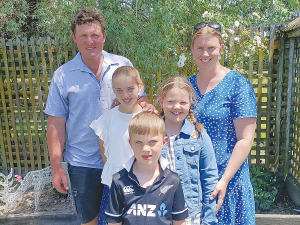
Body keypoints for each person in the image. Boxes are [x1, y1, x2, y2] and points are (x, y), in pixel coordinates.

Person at [45, 8, 151, 225]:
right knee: (89, 221)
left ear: (104, 36)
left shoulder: (122, 65)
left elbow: (140, 98)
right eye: (83, 35)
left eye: (94, 35)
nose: (89, 41)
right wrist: (57, 168)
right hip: (83, 163)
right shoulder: (63, 75)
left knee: (129, 218)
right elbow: (56, 124)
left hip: (125, 158)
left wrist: (146, 106)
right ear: (74, 38)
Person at [187, 22, 257, 225]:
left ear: (221, 49)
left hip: (229, 181)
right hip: (195, 183)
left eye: (211, 48)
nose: (205, 53)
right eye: (200, 48)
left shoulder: (238, 85)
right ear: (192, 49)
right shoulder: (186, 86)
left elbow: (245, 139)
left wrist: (223, 180)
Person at [106, 111, 188, 225]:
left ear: (164, 142)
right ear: (131, 143)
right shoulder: (119, 180)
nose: (145, 148)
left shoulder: (173, 181)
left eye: (152, 142)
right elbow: (114, 223)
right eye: (138, 142)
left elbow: (179, 222)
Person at [157, 76, 219, 225]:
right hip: (158, 213)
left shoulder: (199, 135)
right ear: (161, 102)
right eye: (171, 101)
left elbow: (210, 178)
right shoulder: (152, 134)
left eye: (183, 102)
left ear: (190, 103)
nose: (176, 107)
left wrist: (209, 220)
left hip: (191, 215)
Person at [89, 66, 143, 224]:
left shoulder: (148, 118)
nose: (125, 95)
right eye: (119, 90)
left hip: (142, 186)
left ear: (139, 86)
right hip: (115, 186)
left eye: (130, 89)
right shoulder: (107, 120)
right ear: (113, 89)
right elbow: (105, 154)